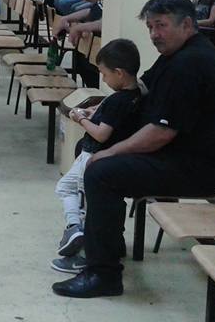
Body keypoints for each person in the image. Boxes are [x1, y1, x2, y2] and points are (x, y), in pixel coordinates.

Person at [52, 0, 215, 298]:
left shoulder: (191, 63)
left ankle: (103, 274)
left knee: (102, 171)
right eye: (150, 27)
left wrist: (110, 151)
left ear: (187, 24)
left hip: (198, 166)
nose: (154, 34)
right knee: (93, 155)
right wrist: (102, 109)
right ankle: (107, 245)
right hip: (180, 154)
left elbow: (161, 133)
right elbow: (140, 88)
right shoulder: (176, 55)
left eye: (161, 25)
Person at [52, 39, 143, 275]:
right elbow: (111, 116)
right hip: (104, 157)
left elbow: (102, 133)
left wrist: (80, 118)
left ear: (119, 73)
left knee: (76, 195)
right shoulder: (135, 95)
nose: (103, 79)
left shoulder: (118, 100)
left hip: (94, 157)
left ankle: (78, 232)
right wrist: (94, 111)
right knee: (78, 194)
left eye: (104, 74)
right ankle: (78, 230)